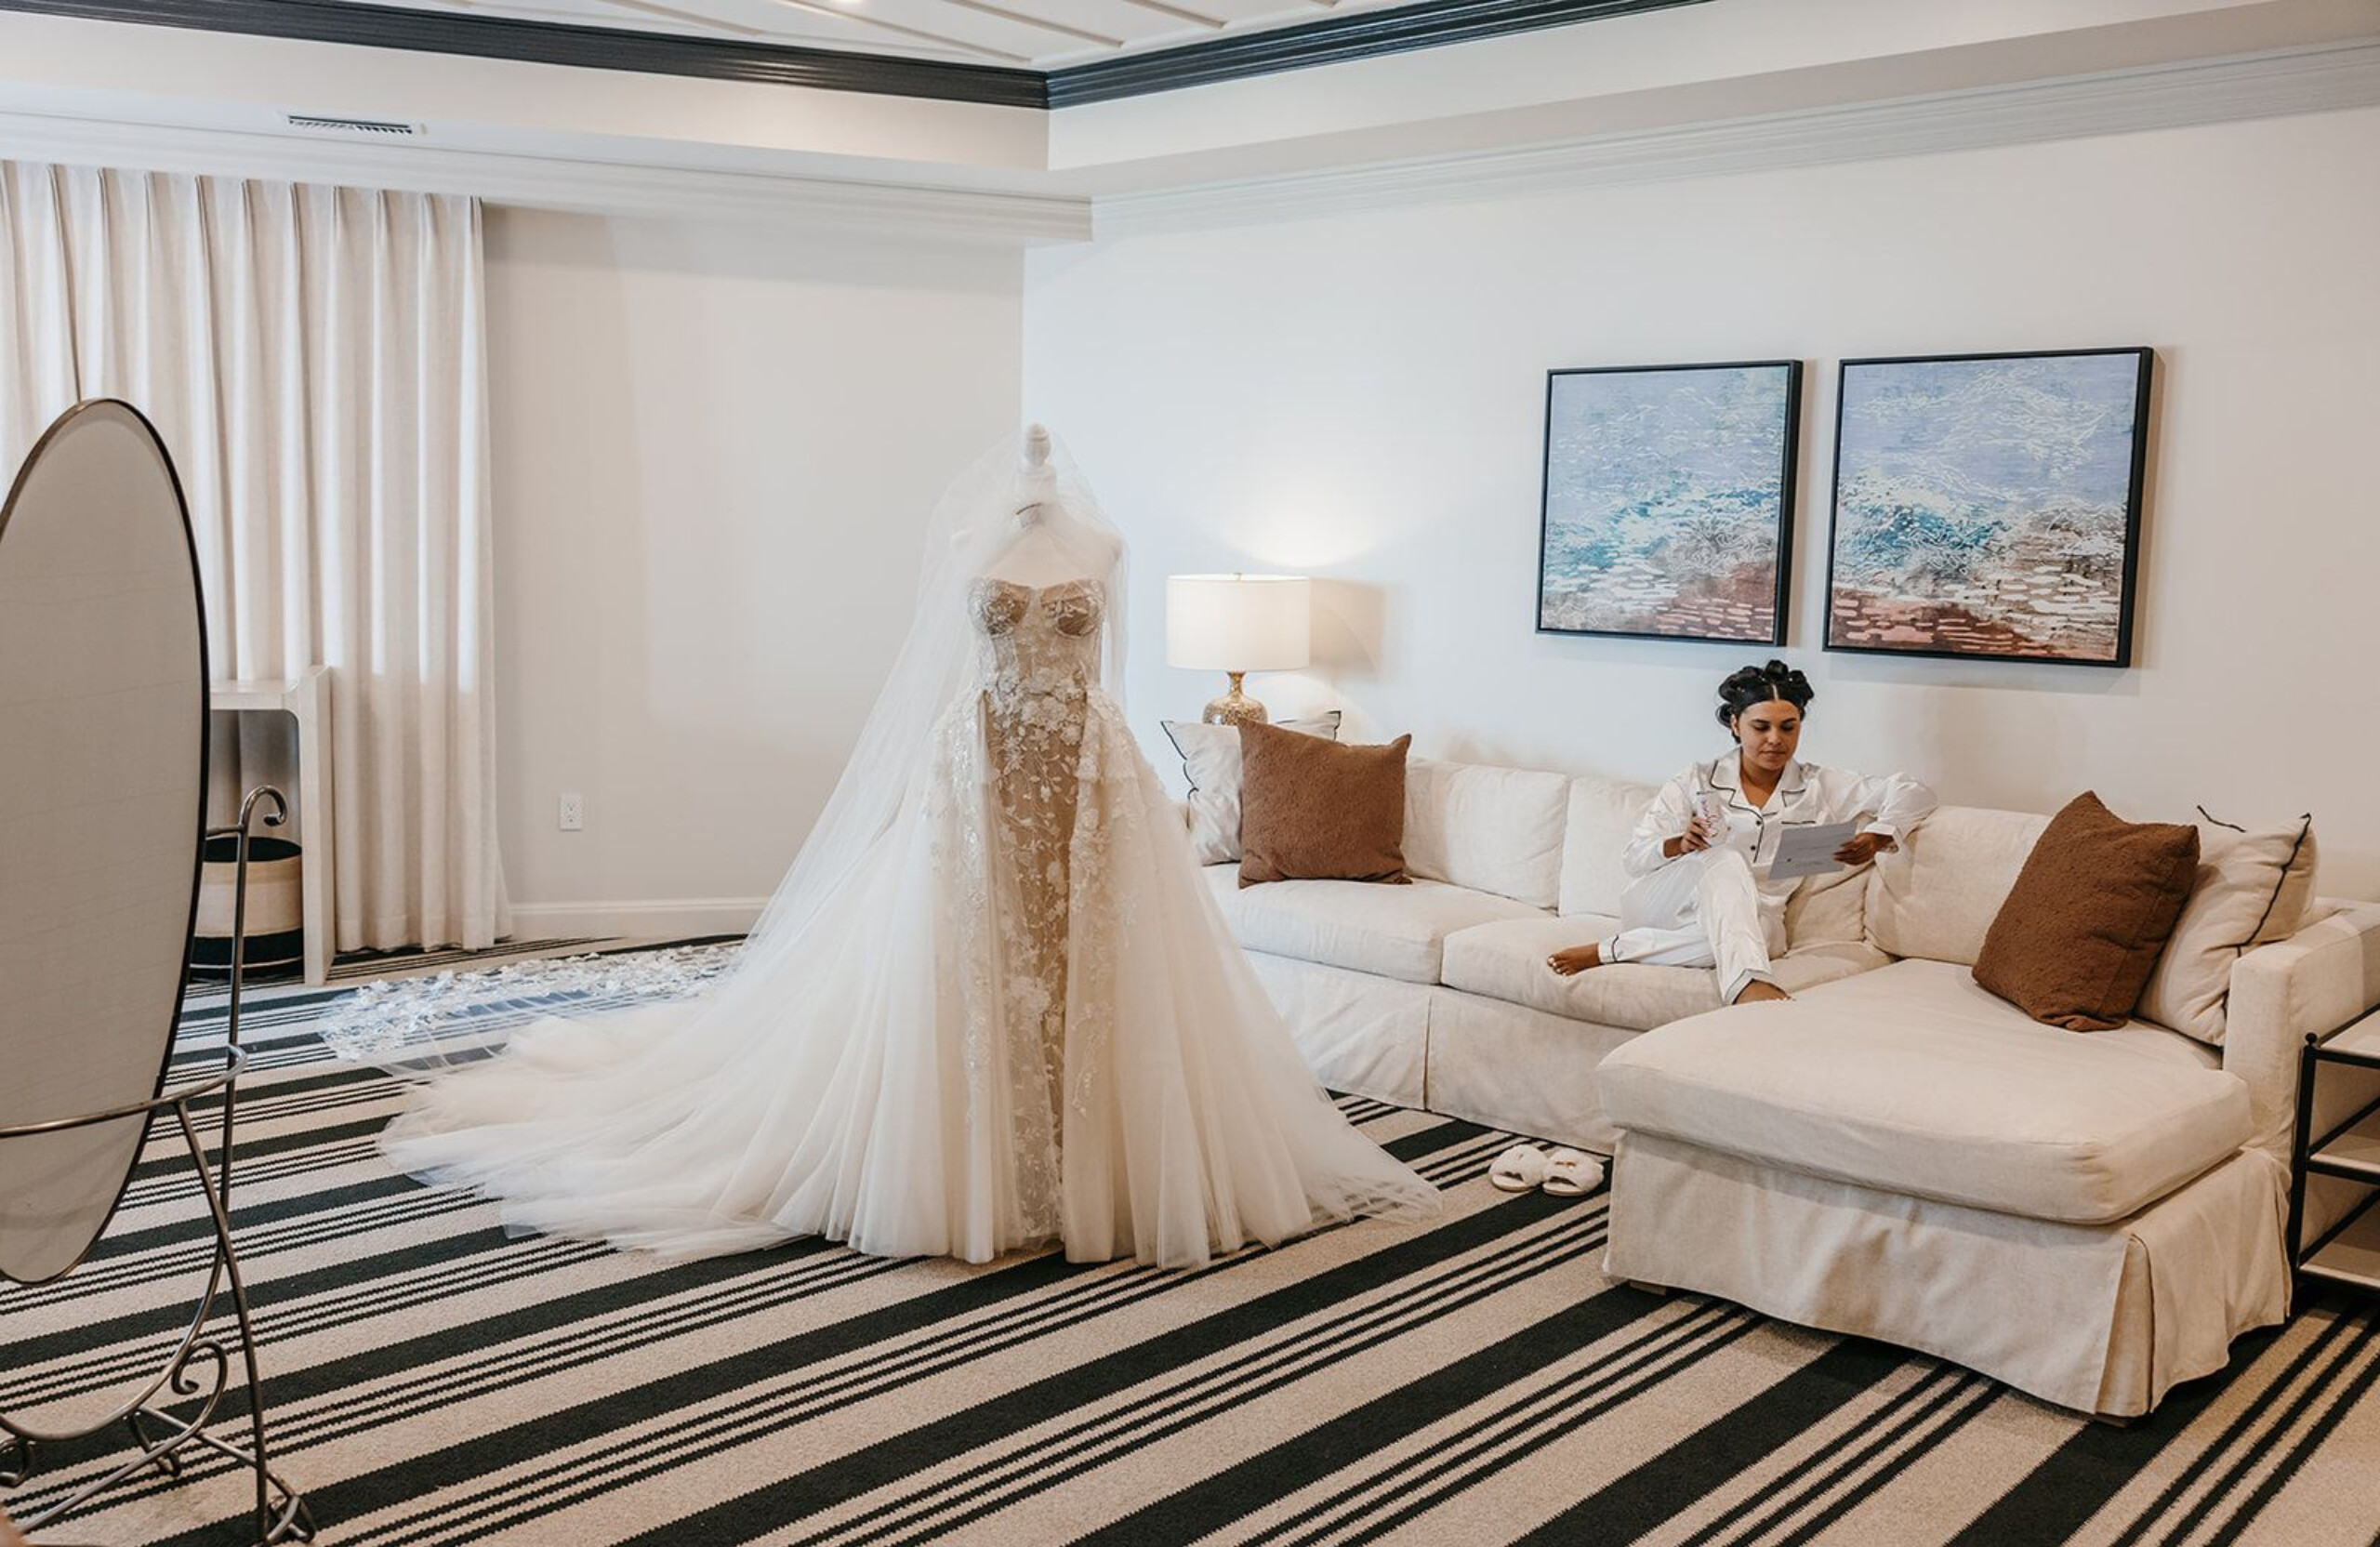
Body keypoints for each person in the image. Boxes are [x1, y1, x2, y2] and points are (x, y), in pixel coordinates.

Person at [320, 427, 1438, 1268]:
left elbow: (1114, 667)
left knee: (1098, 960)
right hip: (983, 763)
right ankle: (974, 1164)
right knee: (972, 956)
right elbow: (944, 665)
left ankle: (1096, 1158)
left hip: (1092, 775)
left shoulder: (1107, 547)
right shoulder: (967, 547)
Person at [1544, 659, 1935, 1004]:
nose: (1775, 740)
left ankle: (1611, 950)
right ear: (1735, 723)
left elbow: (1914, 792)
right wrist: (1678, 844)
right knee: (1724, 858)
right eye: (1760, 726)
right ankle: (1748, 984)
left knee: (1759, 939)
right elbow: (1634, 857)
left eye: (1788, 727)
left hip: (1756, 919)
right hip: (1667, 904)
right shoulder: (1696, 778)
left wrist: (1880, 835)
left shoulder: (1820, 786)